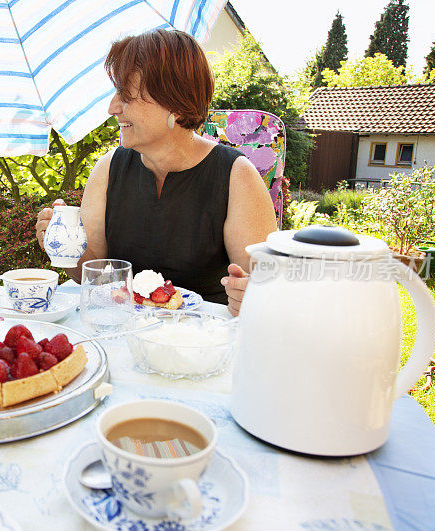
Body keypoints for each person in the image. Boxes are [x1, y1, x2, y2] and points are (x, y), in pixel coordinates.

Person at [35, 29, 277, 316]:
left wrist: (253, 296)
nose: (112, 107)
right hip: (123, 332)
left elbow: (265, 290)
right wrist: (65, 246)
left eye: (125, 95)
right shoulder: (109, 168)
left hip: (200, 343)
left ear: (173, 102)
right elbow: (93, 277)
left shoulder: (236, 176)